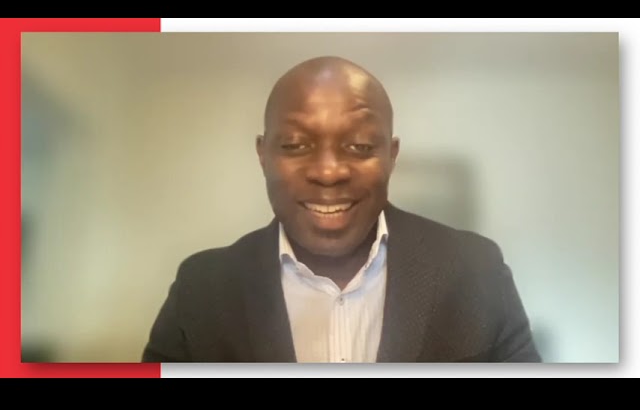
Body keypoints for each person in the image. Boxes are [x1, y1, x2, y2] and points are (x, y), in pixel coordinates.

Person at [142, 56, 541, 363]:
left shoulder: (475, 270)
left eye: (360, 146)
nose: (329, 172)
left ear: (391, 155)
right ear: (263, 155)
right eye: (296, 145)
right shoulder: (202, 289)